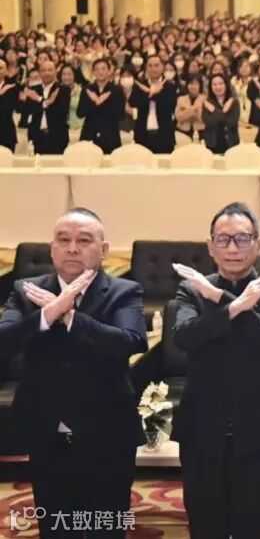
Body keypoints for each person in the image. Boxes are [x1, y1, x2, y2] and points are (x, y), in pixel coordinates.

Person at [0, 208, 148, 537]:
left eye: (84, 240)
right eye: (63, 240)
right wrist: (48, 313)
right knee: (56, 527)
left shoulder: (124, 291)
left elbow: (130, 341)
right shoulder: (26, 290)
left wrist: (70, 317)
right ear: (52, 248)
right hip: (46, 432)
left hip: (108, 434)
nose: (72, 248)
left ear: (104, 249)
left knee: (105, 527)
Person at [170, 202, 260, 538]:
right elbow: (185, 337)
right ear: (211, 246)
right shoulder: (192, 288)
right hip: (201, 431)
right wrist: (236, 305)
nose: (233, 248)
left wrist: (217, 299)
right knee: (205, 527)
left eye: (242, 238)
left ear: (259, 244)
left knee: (255, 527)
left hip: (259, 432)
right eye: (223, 240)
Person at [129, 55, 178, 153]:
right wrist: (151, 93)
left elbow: (169, 105)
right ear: (146, 68)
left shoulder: (170, 86)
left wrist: (154, 94)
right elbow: (133, 102)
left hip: (164, 135)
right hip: (143, 135)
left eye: (156, 65)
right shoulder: (140, 85)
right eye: (150, 66)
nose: (153, 69)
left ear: (162, 67)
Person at [21, 58, 71, 155]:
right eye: (43, 70)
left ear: (55, 72)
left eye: (50, 70)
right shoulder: (33, 90)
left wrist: (39, 99)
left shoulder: (63, 89)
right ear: (39, 73)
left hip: (57, 136)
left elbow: (61, 111)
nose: (46, 73)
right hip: (36, 137)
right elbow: (28, 112)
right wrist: (47, 103)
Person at [77, 57, 125, 153]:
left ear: (109, 71)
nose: (100, 72)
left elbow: (120, 115)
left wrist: (103, 103)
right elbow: (80, 113)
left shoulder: (117, 90)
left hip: (110, 136)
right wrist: (95, 103)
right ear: (93, 72)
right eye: (97, 69)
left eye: (103, 69)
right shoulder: (87, 89)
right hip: (89, 135)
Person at [202, 74, 241, 154]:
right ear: (210, 87)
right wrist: (224, 112)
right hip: (212, 144)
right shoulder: (207, 103)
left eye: (221, 83)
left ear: (226, 85)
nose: (218, 87)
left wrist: (213, 110)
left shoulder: (233, 102)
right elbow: (209, 122)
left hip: (231, 144)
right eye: (214, 84)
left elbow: (231, 123)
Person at [174, 75, 206, 144]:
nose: (193, 86)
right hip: (183, 131)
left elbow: (202, 118)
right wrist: (194, 109)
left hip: (201, 132)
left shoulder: (205, 99)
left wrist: (186, 110)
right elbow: (178, 117)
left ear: (200, 85)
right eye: (191, 84)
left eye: (195, 84)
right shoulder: (181, 99)